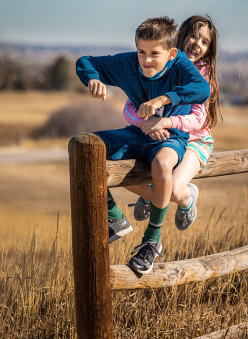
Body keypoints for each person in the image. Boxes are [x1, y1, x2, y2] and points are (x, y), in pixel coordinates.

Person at [76, 16, 210, 274]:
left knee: (162, 164)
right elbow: (86, 61)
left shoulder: (180, 64)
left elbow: (201, 89)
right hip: (138, 133)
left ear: (171, 53)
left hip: (172, 137)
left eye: (154, 54)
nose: (146, 60)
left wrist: (163, 99)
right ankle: (115, 219)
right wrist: (92, 78)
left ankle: (151, 240)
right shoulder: (127, 63)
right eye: (142, 52)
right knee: (87, 146)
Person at [123, 15, 221, 230]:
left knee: (175, 190)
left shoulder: (202, 74)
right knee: (123, 174)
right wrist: (145, 124)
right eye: (194, 37)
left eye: (205, 42)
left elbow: (199, 119)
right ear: (180, 37)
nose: (198, 44)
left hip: (194, 140)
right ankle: (151, 194)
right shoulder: (160, 64)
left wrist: (164, 122)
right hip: (162, 138)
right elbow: (129, 108)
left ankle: (187, 200)